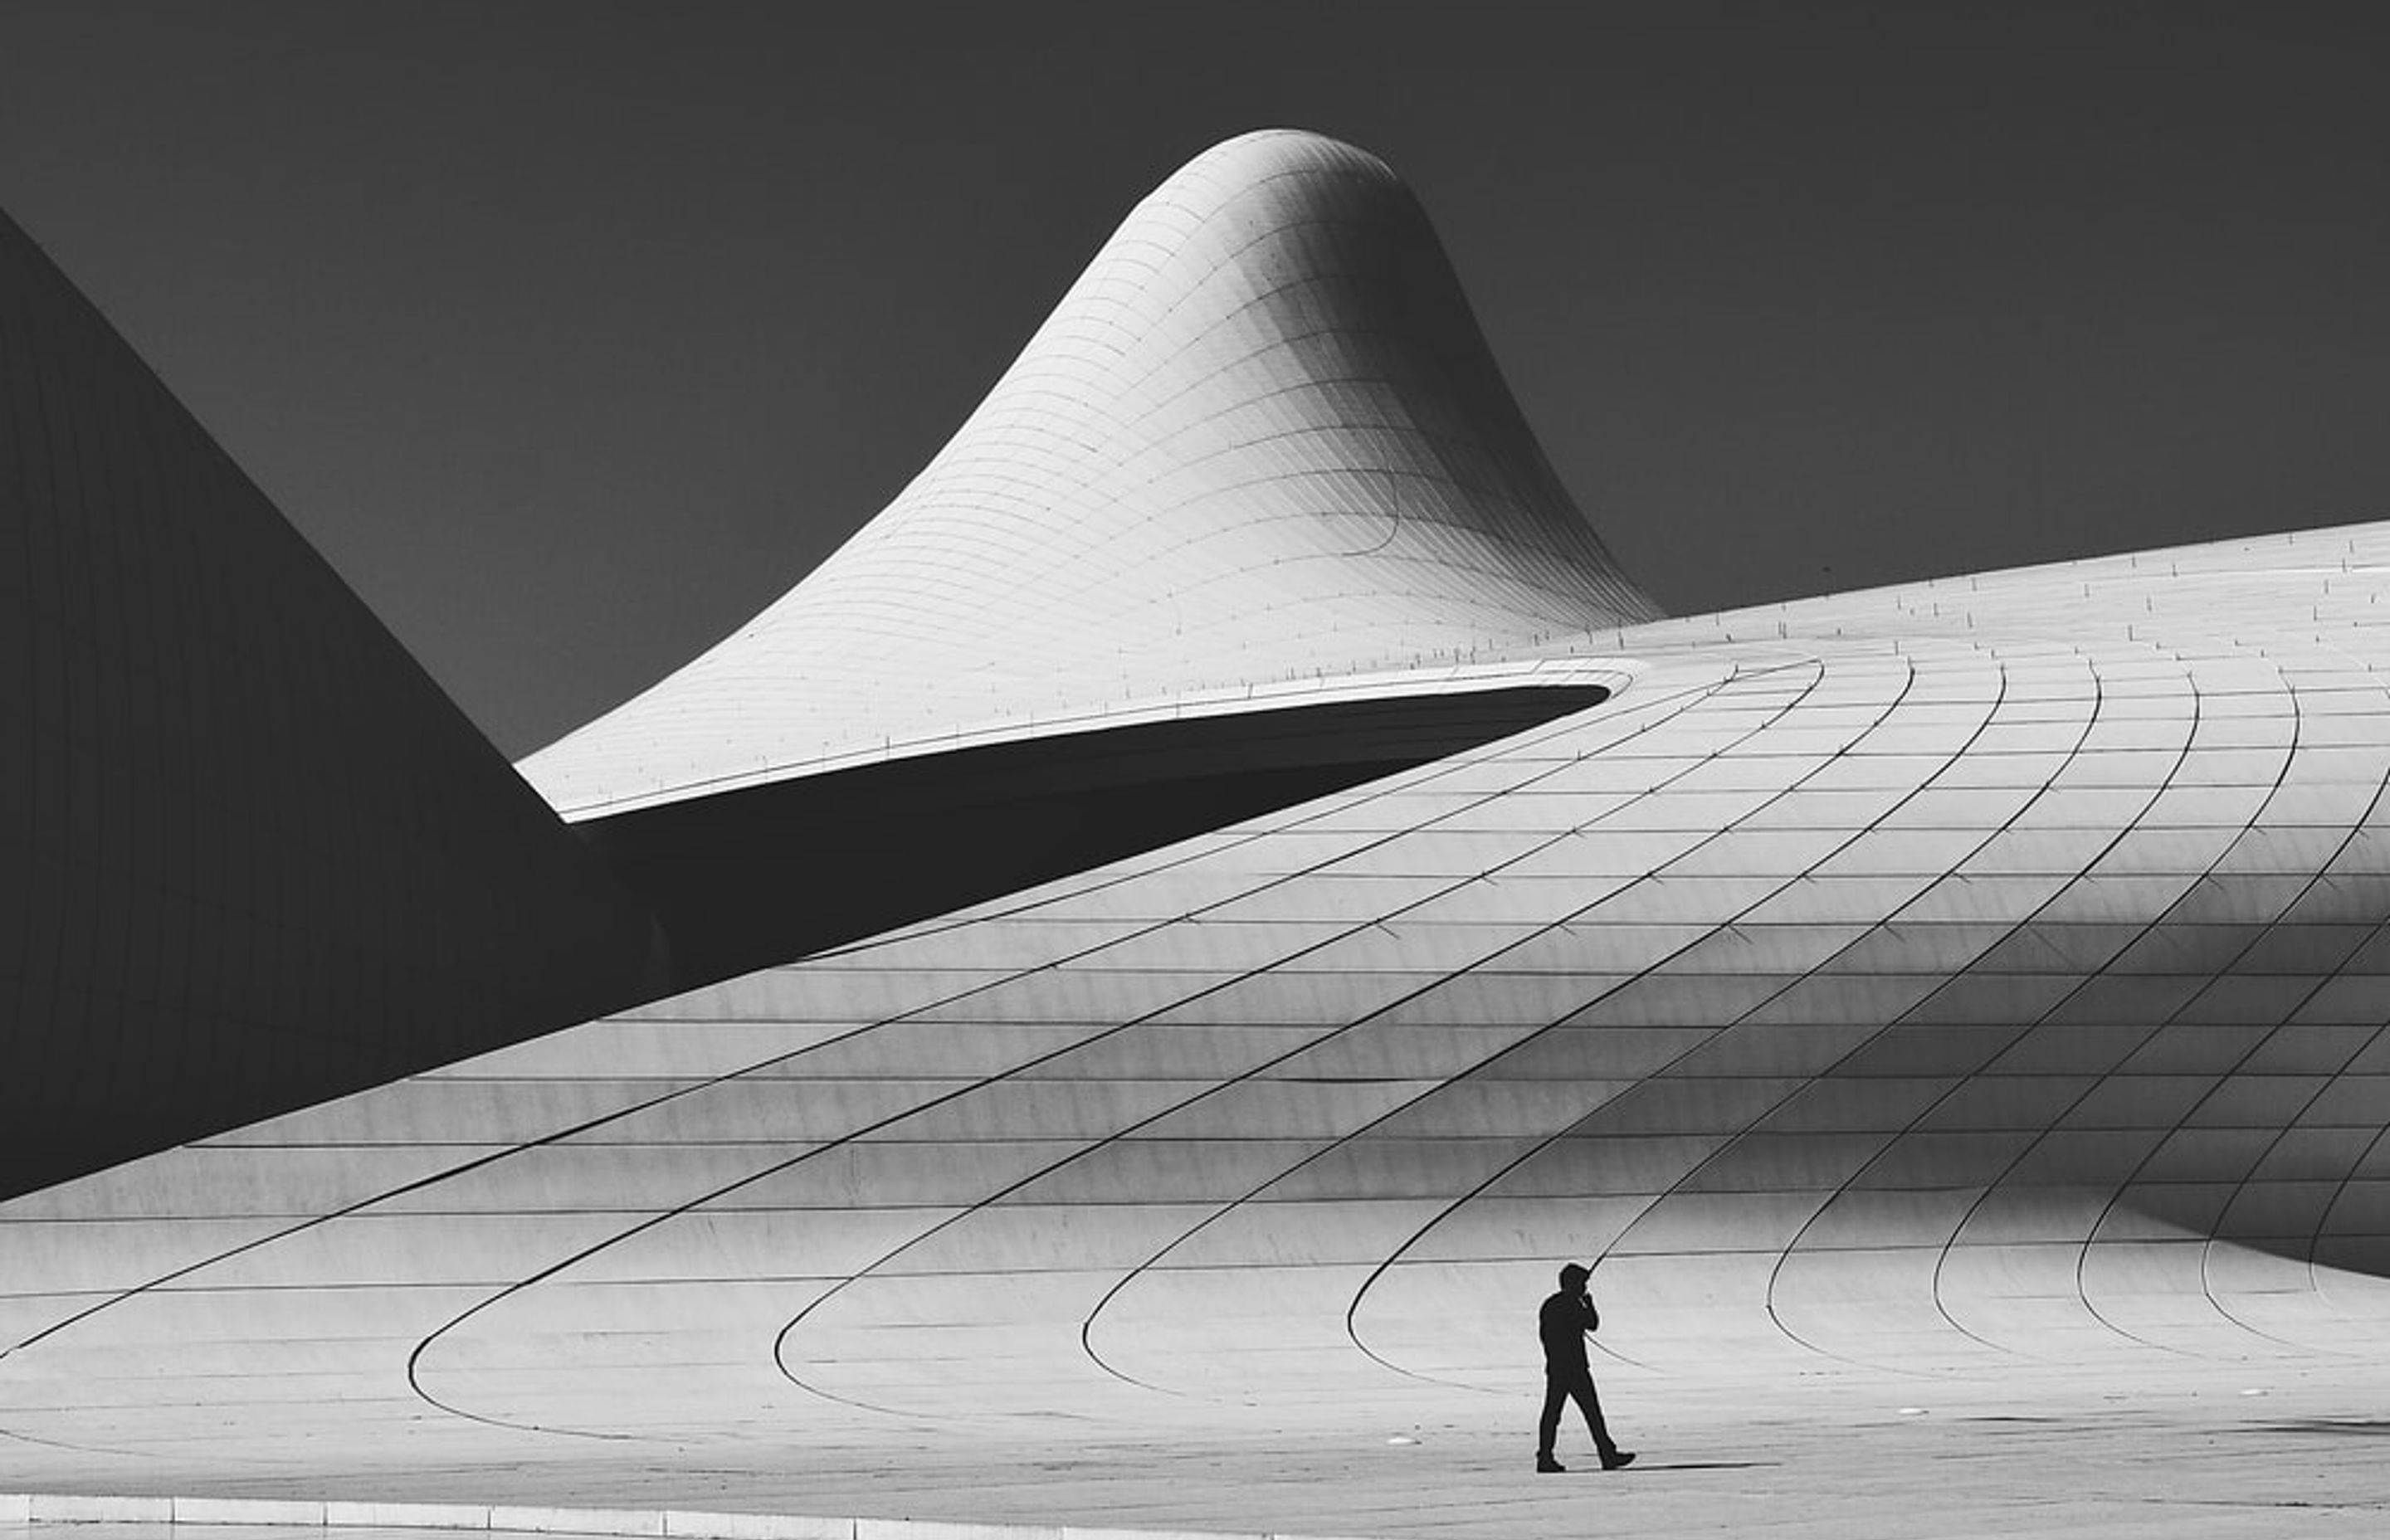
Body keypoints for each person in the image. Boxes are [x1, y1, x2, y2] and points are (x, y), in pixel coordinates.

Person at [1536, 1262, 1633, 1474]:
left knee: (1552, 1413)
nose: (1585, 1288)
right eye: (1582, 1284)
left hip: (1557, 1367)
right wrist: (1588, 1303)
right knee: (1592, 1413)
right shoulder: (1572, 1304)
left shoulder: (1550, 1304)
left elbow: (1546, 1336)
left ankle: (1545, 1456)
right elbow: (1592, 1324)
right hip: (1575, 1368)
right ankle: (1607, 1455)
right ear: (1573, 1284)